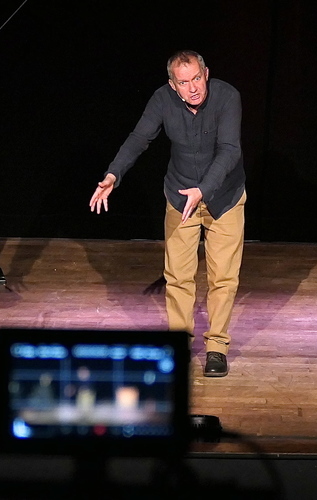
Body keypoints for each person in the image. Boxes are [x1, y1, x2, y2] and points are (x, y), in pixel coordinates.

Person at [89, 50, 246, 377]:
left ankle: (217, 347)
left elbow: (230, 150)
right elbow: (139, 138)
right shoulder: (162, 99)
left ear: (206, 73)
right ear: (173, 85)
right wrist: (114, 174)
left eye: (197, 78)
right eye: (184, 82)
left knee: (223, 277)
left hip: (224, 197)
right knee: (177, 276)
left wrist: (203, 190)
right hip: (179, 195)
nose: (193, 88)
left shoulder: (228, 97)